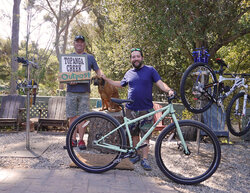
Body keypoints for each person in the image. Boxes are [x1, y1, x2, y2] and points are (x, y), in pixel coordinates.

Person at [101, 48, 174, 171]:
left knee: (145, 136)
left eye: (137, 56)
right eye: (133, 57)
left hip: (146, 109)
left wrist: (169, 90)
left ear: (142, 58)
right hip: (131, 109)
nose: (135, 59)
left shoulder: (150, 70)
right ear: (131, 59)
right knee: (134, 135)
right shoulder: (129, 73)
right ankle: (135, 155)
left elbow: (160, 83)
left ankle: (144, 159)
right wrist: (107, 80)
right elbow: (120, 84)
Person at [66, 35, 102, 150]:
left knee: (83, 117)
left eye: (81, 42)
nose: (79, 44)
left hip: (84, 92)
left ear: (84, 44)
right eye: (77, 42)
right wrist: (68, 80)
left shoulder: (90, 57)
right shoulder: (68, 57)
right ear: (74, 44)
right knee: (71, 116)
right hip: (71, 91)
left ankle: (81, 140)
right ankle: (72, 140)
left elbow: (97, 70)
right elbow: (63, 74)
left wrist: (102, 76)